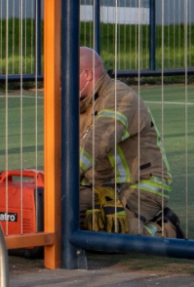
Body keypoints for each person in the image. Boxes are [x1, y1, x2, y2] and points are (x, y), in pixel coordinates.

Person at [78, 47, 183, 238]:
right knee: (63, 218)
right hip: (104, 187)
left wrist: (60, 180)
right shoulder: (79, 103)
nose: (61, 83)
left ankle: (165, 229)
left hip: (143, 183)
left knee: (113, 234)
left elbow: (98, 141)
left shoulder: (119, 97)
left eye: (66, 77)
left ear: (87, 75)